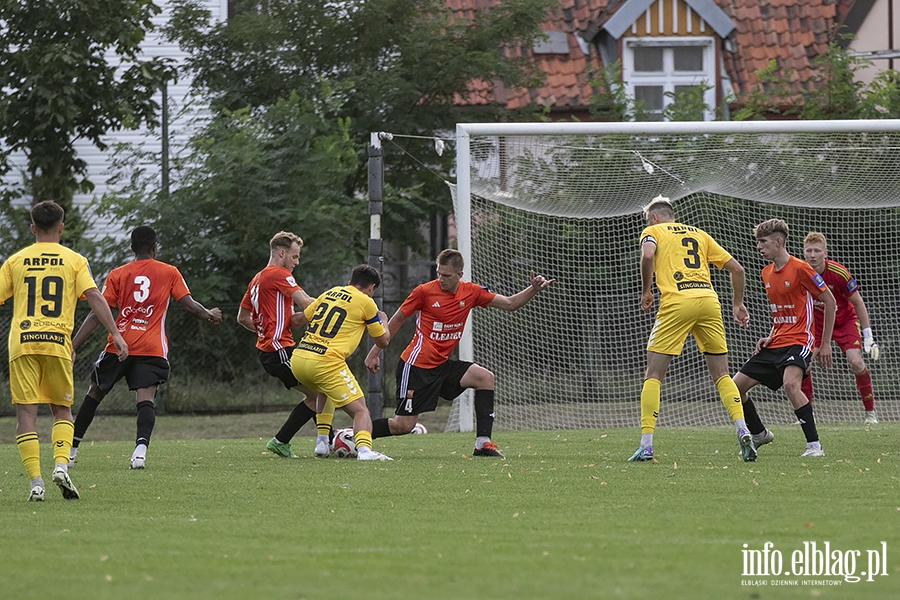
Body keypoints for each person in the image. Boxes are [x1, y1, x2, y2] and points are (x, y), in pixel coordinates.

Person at [365, 248, 554, 458]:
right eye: (438, 273)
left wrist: (533, 289)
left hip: (442, 366)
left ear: (459, 274)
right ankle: (353, 435)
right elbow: (397, 320)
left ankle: (483, 444)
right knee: (404, 425)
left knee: (485, 378)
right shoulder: (424, 291)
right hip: (416, 367)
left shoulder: (471, 291)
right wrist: (375, 352)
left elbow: (510, 304)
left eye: (446, 275)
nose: (440, 279)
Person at [0, 200, 128, 501]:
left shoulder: (16, 261)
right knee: (62, 410)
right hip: (57, 342)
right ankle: (61, 466)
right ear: (61, 227)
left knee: (26, 414)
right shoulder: (74, 260)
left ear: (32, 228)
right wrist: (115, 334)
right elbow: (95, 297)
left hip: (23, 342)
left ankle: (36, 483)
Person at [69, 226, 223, 469]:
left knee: (94, 393)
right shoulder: (169, 272)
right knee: (146, 398)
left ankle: (71, 451)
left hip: (119, 345)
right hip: (152, 348)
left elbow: (97, 315)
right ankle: (139, 453)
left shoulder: (117, 274)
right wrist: (209, 315)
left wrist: (73, 344)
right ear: (154, 247)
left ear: (132, 248)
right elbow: (191, 306)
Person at [629, 196, 755, 463]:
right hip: (709, 302)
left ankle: (646, 444)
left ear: (653, 217)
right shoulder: (699, 234)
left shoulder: (652, 231)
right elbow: (737, 268)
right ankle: (743, 429)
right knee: (722, 374)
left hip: (677, 302)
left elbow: (648, 254)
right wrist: (737, 304)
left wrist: (646, 290)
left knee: (653, 373)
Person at [733, 219, 836, 458]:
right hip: (776, 341)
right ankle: (759, 434)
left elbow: (829, 302)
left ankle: (814, 446)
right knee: (734, 388)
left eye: (763, 241)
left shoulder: (801, 268)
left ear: (778, 242)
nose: (759, 246)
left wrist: (826, 343)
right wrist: (769, 337)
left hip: (800, 339)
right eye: (758, 241)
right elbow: (781, 311)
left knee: (791, 384)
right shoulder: (766, 272)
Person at [237, 231, 329, 459]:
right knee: (321, 392)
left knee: (318, 392)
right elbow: (307, 302)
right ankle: (320, 441)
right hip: (278, 350)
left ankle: (310, 441)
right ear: (281, 253)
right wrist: (335, 300)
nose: (297, 262)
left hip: (273, 350)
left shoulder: (257, 279)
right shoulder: (279, 274)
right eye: (295, 256)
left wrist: (264, 330)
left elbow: (243, 317)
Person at [290, 264, 392, 461]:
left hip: (299, 358)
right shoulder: (366, 302)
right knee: (361, 410)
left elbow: (300, 318)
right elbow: (383, 341)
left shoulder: (330, 292)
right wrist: (383, 320)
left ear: (350, 281)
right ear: (371, 288)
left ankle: (322, 442)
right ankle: (364, 451)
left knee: (323, 390)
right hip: (325, 362)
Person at [801, 232, 879, 424]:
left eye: (817, 251)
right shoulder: (799, 273)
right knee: (802, 364)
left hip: (845, 322)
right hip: (816, 326)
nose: (812, 255)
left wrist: (868, 336)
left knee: (856, 362)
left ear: (825, 253)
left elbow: (858, 303)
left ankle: (870, 414)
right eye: (808, 250)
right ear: (803, 253)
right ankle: (806, 414)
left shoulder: (839, 273)